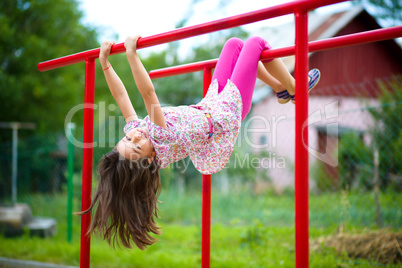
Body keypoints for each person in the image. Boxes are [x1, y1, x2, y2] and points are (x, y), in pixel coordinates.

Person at [79, 36, 320, 250]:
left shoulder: (139, 131)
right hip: (227, 111)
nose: (135, 136)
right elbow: (148, 93)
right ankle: (296, 89)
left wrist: (105, 64)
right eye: (137, 145)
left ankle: (280, 88)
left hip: (211, 103)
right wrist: (132, 55)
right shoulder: (161, 139)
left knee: (234, 45)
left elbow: (121, 96)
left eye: (127, 139)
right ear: (151, 157)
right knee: (256, 44)